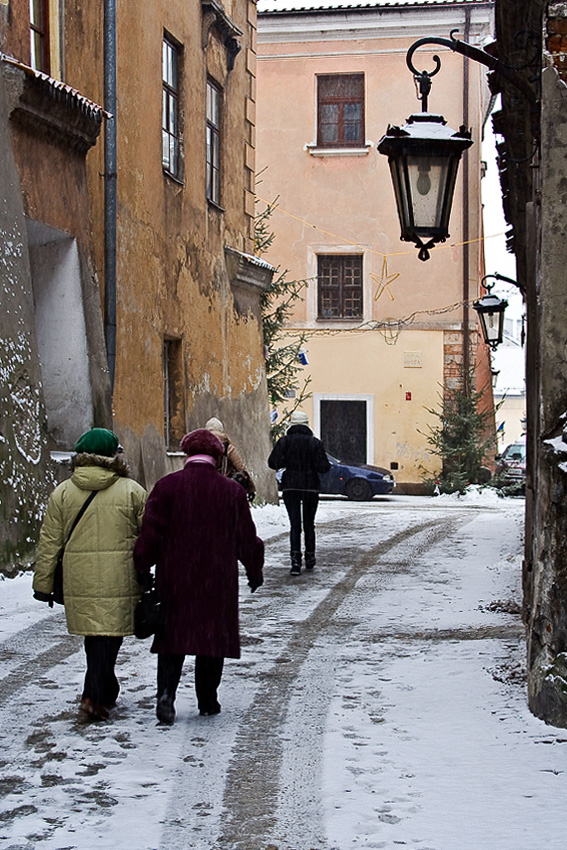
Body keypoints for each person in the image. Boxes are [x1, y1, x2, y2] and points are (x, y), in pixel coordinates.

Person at [133, 428, 264, 725]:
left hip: (176, 576)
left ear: (187, 455)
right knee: (210, 639)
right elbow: (247, 537)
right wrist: (254, 570)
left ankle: (166, 695)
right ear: (218, 458)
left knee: (172, 639)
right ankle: (207, 698)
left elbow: (150, 532)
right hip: (217, 579)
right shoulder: (232, 491)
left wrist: (143, 564)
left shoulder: (167, 486)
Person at [33, 427, 147, 721]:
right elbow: (149, 536)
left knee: (95, 637)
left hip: (79, 579)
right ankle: (94, 696)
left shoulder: (63, 492)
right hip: (120, 578)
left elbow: (50, 541)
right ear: (113, 455)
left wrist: (43, 584)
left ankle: (103, 691)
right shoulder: (132, 491)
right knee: (108, 638)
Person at [268, 410, 330, 576]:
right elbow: (323, 467)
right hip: (310, 486)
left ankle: (295, 561)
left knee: (295, 524)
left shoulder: (284, 442)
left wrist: (286, 461)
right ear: (306, 425)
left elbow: (272, 463)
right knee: (309, 523)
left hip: (291, 486)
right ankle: (310, 557)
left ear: (291, 425)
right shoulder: (314, 443)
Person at [205, 416, 256, 502]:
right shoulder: (228, 447)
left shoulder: (200, 446)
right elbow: (241, 467)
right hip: (223, 489)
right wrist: (251, 488)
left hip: (205, 488)